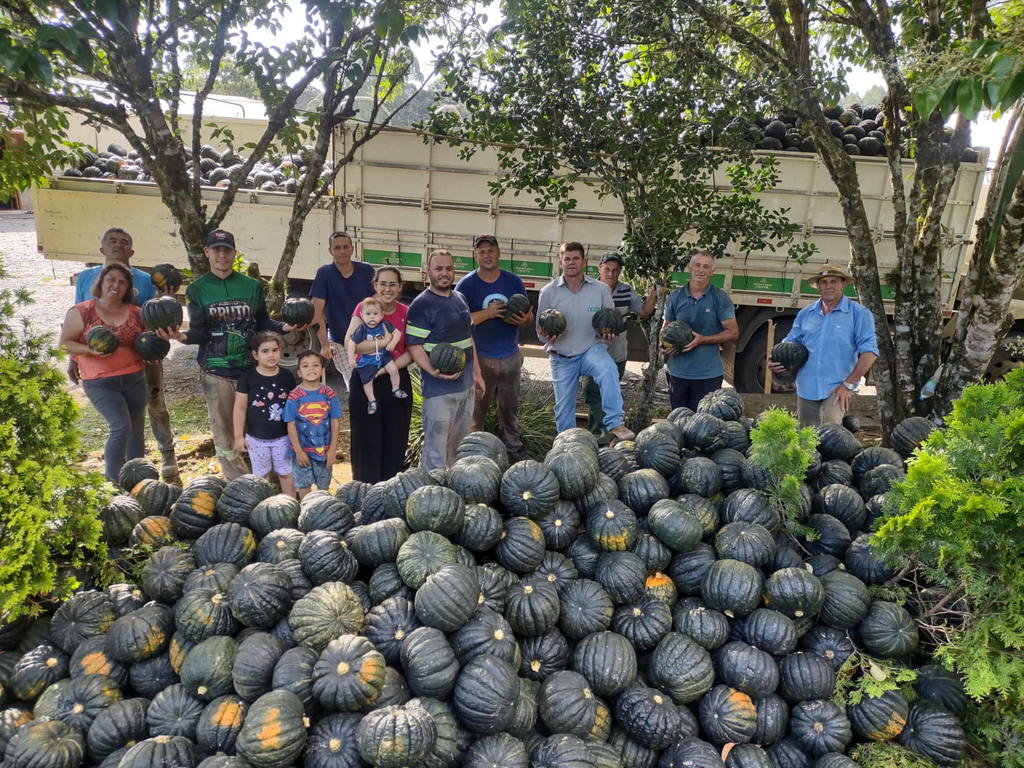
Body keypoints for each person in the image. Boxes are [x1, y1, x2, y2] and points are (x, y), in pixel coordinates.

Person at [158, 229, 305, 480]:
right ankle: (238, 484)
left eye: (227, 250)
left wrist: (284, 327)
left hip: (252, 372)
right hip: (216, 373)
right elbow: (200, 331)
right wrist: (183, 337)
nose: (222, 255)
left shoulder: (251, 286)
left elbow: (262, 321)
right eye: (216, 250)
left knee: (262, 426)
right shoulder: (197, 290)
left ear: (234, 253)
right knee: (224, 432)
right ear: (207, 253)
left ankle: (267, 478)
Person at [70, 227, 180, 484]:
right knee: (121, 423)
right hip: (100, 366)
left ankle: (166, 453)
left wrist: (168, 300)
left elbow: (159, 312)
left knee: (155, 405)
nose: (117, 245)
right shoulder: (86, 278)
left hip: (142, 356)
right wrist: (73, 358)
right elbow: (76, 321)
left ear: (131, 251)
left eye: (124, 242)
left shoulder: (144, 279)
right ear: (102, 249)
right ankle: (120, 472)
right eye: (112, 241)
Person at [536, 242, 635, 442]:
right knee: (563, 412)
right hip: (561, 355)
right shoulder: (548, 292)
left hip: (591, 350)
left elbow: (609, 320)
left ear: (584, 262)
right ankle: (568, 447)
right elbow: (539, 331)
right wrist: (548, 336)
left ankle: (615, 422)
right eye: (567, 259)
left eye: (576, 258)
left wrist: (608, 334)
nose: (571, 262)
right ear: (561, 262)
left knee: (608, 369)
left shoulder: (600, 290)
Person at [60, 263, 148, 484]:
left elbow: (147, 342)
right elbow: (64, 344)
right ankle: (112, 480)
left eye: (122, 281)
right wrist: (88, 350)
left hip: (135, 378)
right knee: (121, 426)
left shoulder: (136, 313)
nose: (115, 285)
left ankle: (137, 481)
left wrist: (154, 348)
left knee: (136, 430)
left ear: (128, 287)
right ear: (101, 282)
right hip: (100, 382)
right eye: (111, 279)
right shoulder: (82, 311)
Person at [768, 263, 879, 428]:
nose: (829, 286)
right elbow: (791, 342)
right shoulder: (806, 314)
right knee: (807, 439)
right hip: (807, 387)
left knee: (830, 435)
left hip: (837, 388)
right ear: (818, 286)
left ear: (843, 284)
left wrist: (848, 385)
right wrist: (776, 359)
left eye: (834, 281)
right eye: (824, 282)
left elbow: (870, 352)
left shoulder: (859, 314)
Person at [455, 234, 533, 462]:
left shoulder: (513, 281)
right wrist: (488, 313)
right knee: (476, 412)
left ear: (499, 254)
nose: (487, 255)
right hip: (480, 359)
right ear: (475, 256)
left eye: (491, 250)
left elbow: (528, 318)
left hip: (510, 355)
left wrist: (523, 320)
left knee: (509, 409)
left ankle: (513, 450)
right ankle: (475, 454)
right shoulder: (467, 284)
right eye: (482, 251)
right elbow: (459, 321)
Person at [406, 249, 486, 471]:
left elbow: (469, 338)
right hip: (438, 391)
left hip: (465, 388)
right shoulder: (422, 304)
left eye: (449, 268)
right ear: (428, 271)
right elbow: (414, 345)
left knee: (458, 448)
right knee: (436, 450)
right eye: (439, 268)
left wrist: (477, 373)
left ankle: (451, 494)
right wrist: (432, 370)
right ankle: (432, 496)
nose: (444, 273)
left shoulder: (460, 299)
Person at [343, 266, 415, 483]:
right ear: (375, 285)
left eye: (393, 284)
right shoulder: (363, 308)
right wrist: (385, 344)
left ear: (400, 287)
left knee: (395, 437)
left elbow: (411, 351)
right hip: (365, 378)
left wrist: (384, 367)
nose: (387, 288)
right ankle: (364, 489)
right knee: (366, 437)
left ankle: (390, 488)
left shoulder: (406, 312)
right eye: (383, 283)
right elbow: (350, 344)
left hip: (395, 377)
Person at [581, 251, 657, 445]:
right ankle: (608, 431)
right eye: (607, 269)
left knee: (608, 395)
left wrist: (654, 294)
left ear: (620, 271)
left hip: (617, 354)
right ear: (599, 269)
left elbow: (645, 312)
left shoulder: (626, 290)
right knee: (590, 391)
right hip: (592, 352)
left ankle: (600, 439)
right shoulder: (589, 289)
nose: (611, 273)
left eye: (615, 270)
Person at [662, 250, 739, 411]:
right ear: (690, 268)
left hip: (708, 374)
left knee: (703, 426)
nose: (700, 270)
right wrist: (662, 345)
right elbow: (666, 329)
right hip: (677, 373)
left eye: (706, 266)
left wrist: (702, 340)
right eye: (697, 265)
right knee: (678, 421)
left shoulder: (720, 298)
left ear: (712, 271)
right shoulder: (675, 297)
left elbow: (733, 333)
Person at [233, 332, 297, 498]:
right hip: (256, 439)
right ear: (255, 354)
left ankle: (291, 503)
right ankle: (265, 507)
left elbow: (294, 407)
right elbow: (240, 408)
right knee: (261, 476)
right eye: (265, 351)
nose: (271, 355)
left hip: (283, 438)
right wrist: (239, 436)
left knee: (285, 472)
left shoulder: (287, 376)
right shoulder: (247, 378)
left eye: (275, 350)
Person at [310, 231, 376, 392]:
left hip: (367, 338)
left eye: (346, 247)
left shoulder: (366, 270)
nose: (342, 251)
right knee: (356, 384)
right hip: (340, 342)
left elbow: (378, 303)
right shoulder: (324, 273)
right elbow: (316, 311)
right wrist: (324, 345)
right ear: (330, 251)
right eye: (337, 247)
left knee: (374, 385)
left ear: (352, 248)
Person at [285, 351, 341, 497]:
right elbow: (290, 424)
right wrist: (298, 451)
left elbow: (335, 421)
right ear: (299, 372)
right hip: (302, 451)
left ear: (322, 370)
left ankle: (322, 511)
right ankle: (306, 511)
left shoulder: (329, 394)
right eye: (305, 366)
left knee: (323, 486)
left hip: (324, 450)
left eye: (315, 365)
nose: (311, 369)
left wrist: (332, 449)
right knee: (304, 485)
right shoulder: (294, 396)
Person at [346, 297, 407, 415]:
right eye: (368, 314)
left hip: (383, 355)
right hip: (368, 358)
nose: (372, 317)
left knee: (393, 370)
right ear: (362, 315)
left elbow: (397, 333)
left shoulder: (384, 325)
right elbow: (351, 343)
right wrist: (351, 359)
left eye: (375, 313)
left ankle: (396, 389)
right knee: (367, 382)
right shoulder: (362, 329)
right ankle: (372, 401)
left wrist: (393, 343)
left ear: (381, 315)